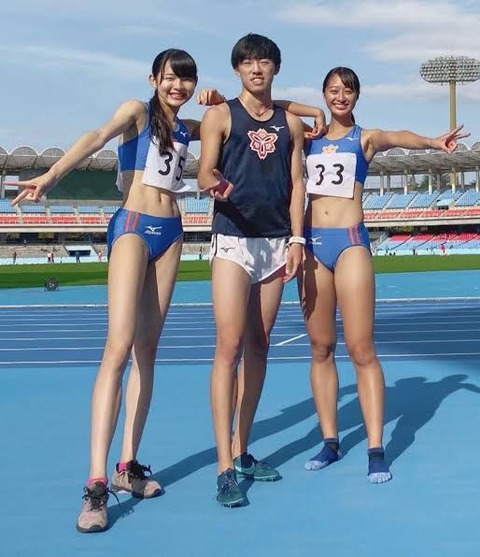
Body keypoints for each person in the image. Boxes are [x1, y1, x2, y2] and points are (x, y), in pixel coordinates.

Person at [9, 49, 223, 532]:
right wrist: (52, 175)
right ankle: (97, 482)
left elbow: (245, 118)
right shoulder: (137, 112)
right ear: (153, 78)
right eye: (171, 78)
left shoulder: (190, 126)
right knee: (118, 347)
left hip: (172, 232)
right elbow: (96, 137)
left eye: (188, 79)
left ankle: (128, 466)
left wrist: (220, 100)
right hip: (132, 225)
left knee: (147, 350)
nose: (179, 86)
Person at [297, 66, 468, 483]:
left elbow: (398, 136)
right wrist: (306, 112)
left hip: (350, 242)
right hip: (312, 245)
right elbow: (273, 112)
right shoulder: (308, 136)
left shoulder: (365, 138)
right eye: (333, 90)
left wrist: (432, 141)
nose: (340, 97)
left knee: (361, 348)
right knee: (320, 347)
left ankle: (376, 448)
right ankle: (330, 442)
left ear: (357, 96)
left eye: (348, 90)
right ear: (323, 95)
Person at [197, 33, 324, 507]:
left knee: (260, 345)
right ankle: (223, 467)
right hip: (232, 239)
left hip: (276, 242)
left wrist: (297, 239)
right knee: (228, 346)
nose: (256, 68)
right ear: (237, 69)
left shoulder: (291, 125)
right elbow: (203, 169)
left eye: (264, 61)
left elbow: (297, 183)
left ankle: (241, 449)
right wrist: (212, 183)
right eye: (248, 62)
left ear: (275, 68)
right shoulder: (219, 115)